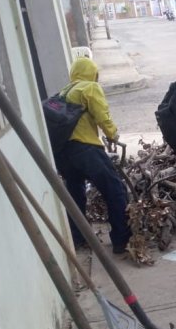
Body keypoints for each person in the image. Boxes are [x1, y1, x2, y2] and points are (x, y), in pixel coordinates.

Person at [55, 57, 131, 254]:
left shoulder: (65, 91)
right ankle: (121, 240)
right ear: (92, 73)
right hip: (86, 150)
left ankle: (78, 238)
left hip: (64, 154)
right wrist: (113, 135)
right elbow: (102, 115)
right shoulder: (89, 88)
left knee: (75, 194)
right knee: (115, 190)